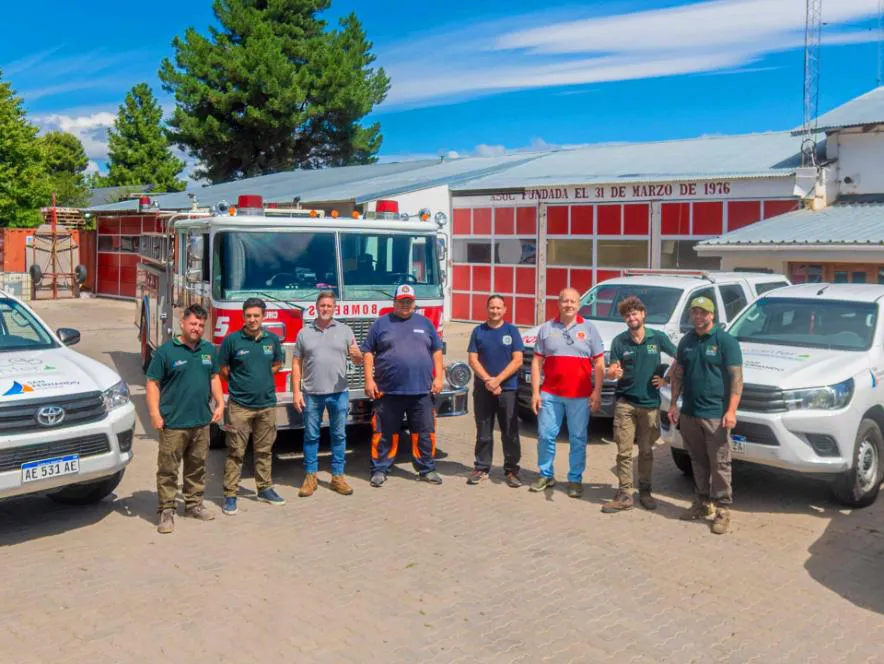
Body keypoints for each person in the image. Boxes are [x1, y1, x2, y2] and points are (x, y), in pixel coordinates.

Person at [668, 296, 743, 535]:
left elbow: (736, 379)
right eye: (695, 312)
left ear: (712, 315)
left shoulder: (726, 341)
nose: (698, 316)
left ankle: (722, 509)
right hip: (690, 412)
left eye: (703, 312)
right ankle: (702, 503)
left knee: (719, 463)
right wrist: (673, 404)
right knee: (697, 461)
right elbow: (678, 373)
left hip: (715, 414)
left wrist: (731, 410)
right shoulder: (687, 341)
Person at [146, 304, 224, 534]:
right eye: (193, 323)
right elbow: (152, 384)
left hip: (201, 422)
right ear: (182, 323)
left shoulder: (208, 350)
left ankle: (194, 504)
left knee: (197, 467)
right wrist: (154, 414)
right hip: (173, 424)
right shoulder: (166, 352)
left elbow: (214, 377)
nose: (197, 328)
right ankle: (167, 510)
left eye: (201, 325)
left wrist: (220, 403)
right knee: (168, 469)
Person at [362, 283, 444, 487]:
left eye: (409, 301)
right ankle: (380, 469)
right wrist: (369, 380)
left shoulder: (425, 323)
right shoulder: (381, 324)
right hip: (388, 391)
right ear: (394, 302)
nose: (405, 305)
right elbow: (367, 352)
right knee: (384, 432)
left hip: (422, 390)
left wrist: (439, 377)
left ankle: (426, 469)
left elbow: (436, 351)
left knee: (424, 433)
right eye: (402, 301)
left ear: (414, 303)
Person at [601, 296, 677, 513]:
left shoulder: (657, 338)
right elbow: (613, 368)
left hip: (650, 405)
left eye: (634, 313)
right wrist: (613, 372)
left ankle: (645, 491)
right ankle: (625, 493)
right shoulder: (619, 341)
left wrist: (667, 378)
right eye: (627, 315)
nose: (631, 318)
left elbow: (680, 357)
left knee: (645, 452)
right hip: (625, 403)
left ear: (643, 314)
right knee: (624, 452)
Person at [530, 288, 605, 498]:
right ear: (558, 303)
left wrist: (597, 392)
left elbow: (599, 362)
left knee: (578, 438)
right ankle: (546, 474)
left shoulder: (589, 329)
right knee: (545, 436)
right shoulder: (546, 329)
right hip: (550, 395)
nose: (569, 305)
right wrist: (535, 392)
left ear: (579, 305)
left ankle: (575, 479)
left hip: (580, 396)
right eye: (565, 301)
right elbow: (537, 361)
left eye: (573, 302)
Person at [217, 298, 286, 515]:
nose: (252, 319)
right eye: (248, 316)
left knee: (264, 451)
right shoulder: (232, 341)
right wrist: (240, 383)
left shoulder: (272, 340)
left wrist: (263, 377)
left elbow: (278, 363)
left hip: (267, 405)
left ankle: (264, 489)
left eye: (256, 315)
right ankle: (230, 495)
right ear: (243, 317)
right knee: (236, 452)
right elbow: (223, 368)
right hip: (240, 407)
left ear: (263, 316)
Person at [292, 290, 362, 497]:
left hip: (339, 393)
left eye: (329, 306)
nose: (325, 309)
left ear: (334, 308)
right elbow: (296, 363)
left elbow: (356, 358)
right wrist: (296, 391)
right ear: (316, 307)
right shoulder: (304, 333)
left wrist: (358, 357)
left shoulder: (345, 330)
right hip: (312, 393)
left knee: (339, 435)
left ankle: (338, 476)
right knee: (311, 436)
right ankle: (310, 477)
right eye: (322, 305)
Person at [466, 295, 524, 487]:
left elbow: (518, 360)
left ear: (505, 310)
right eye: (492, 308)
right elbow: (473, 360)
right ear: (487, 309)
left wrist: (498, 380)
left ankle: (511, 470)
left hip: (507, 389)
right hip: (484, 390)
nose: (495, 311)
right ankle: (481, 467)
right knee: (483, 431)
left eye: (499, 308)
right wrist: (488, 381)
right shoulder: (478, 331)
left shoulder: (512, 331)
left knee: (510, 431)